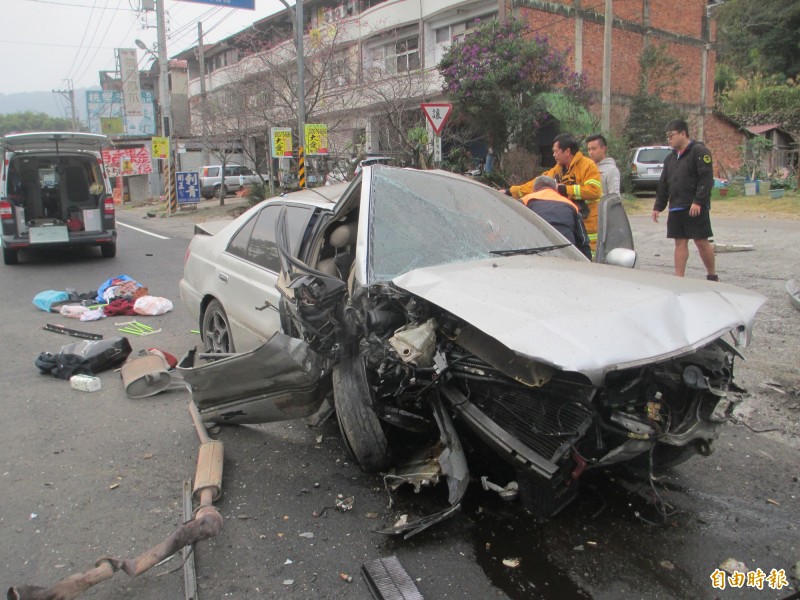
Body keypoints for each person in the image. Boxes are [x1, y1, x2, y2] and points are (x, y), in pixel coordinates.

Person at [507, 133, 603, 252]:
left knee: (587, 259)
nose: (553, 155)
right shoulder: (557, 169)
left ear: (567, 151)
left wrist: (564, 189)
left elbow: (594, 191)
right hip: (568, 222)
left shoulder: (588, 166)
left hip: (588, 226)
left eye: (556, 151)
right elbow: (536, 184)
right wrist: (510, 191)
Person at [652, 119, 718, 281]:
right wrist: (658, 206)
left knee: (701, 241)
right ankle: (679, 279)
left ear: (683, 133)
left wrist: (698, 201)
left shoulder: (699, 152)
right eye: (667, 137)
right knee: (679, 242)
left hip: (694, 206)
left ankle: (712, 274)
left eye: (671, 135)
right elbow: (664, 184)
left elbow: (706, 179)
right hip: (676, 207)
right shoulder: (670, 159)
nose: (669, 139)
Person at [519, 176, 592, 260]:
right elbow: (582, 240)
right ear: (555, 189)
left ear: (534, 189)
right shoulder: (571, 205)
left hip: (533, 253)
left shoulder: (524, 201)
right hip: (565, 254)